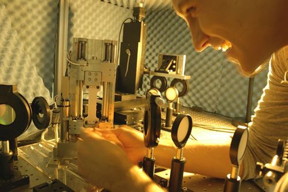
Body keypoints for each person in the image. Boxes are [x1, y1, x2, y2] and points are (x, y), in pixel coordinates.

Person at [77, 0, 288, 191]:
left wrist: (123, 179)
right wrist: (145, 146)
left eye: (192, 9)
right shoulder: (283, 58)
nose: (198, 44)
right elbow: (255, 152)